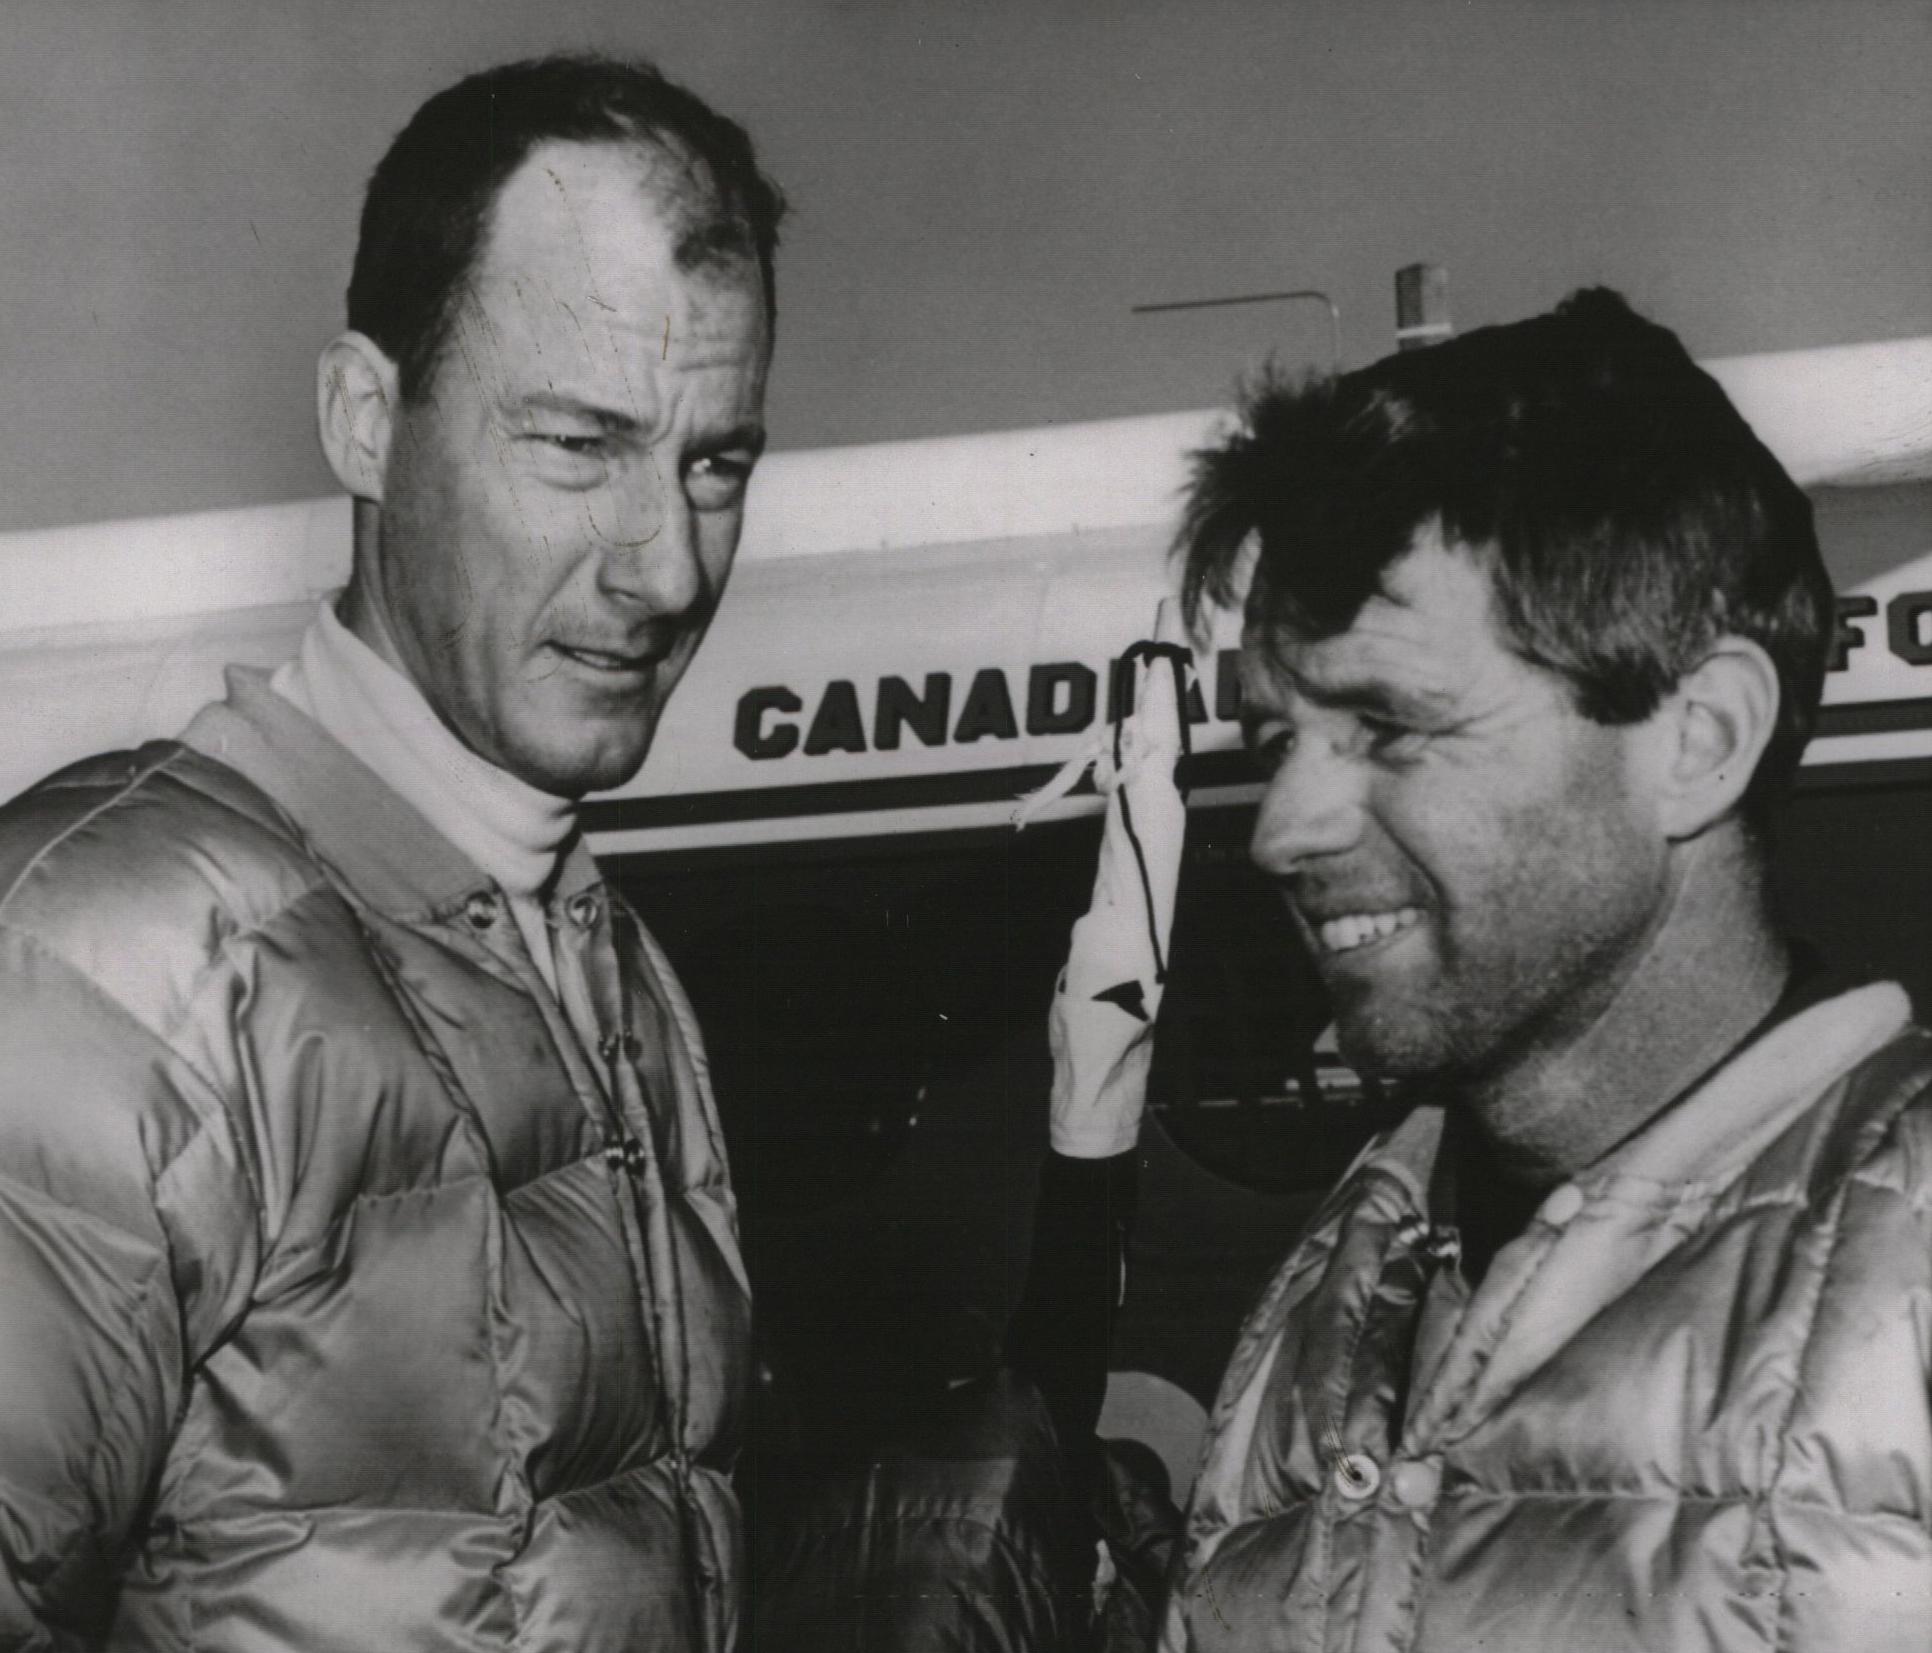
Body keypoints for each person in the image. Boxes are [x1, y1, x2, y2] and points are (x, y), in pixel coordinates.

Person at [0, 54, 781, 1650]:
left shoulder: (610, 968)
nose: (667, 567)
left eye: (715, 462)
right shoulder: (111, 957)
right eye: (578, 445)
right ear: (367, 417)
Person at [1160, 290, 1932, 1652]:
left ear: (1697, 739)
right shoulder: (1331, 1297)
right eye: (1278, 741)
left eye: (1389, 724)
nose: (1281, 830)